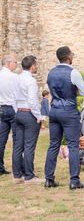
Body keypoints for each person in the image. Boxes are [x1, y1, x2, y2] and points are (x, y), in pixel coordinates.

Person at [44, 46, 84, 189]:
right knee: (73, 145)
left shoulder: (50, 72)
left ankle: (49, 179)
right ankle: (74, 180)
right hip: (69, 111)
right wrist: (74, 90)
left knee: (53, 145)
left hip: (54, 110)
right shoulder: (73, 72)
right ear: (69, 57)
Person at [12, 55, 43, 184]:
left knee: (18, 146)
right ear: (32, 66)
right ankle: (29, 176)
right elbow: (32, 101)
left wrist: (16, 111)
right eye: (36, 64)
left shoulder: (17, 79)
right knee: (29, 146)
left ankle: (17, 175)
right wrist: (39, 116)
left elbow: (12, 97)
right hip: (29, 113)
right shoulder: (30, 81)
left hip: (18, 112)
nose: (37, 67)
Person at [0, 55, 18, 176]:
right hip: (12, 108)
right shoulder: (13, 77)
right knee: (18, 140)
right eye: (15, 62)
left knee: (1, 140)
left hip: (2, 108)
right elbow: (17, 95)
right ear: (8, 63)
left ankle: (0, 167)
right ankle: (17, 168)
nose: (16, 64)